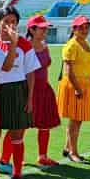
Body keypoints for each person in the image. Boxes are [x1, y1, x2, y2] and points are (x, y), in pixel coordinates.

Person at [0, 6, 40, 179]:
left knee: (17, 135)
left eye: (14, 22)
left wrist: (30, 98)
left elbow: (30, 74)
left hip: (18, 91)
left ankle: (17, 173)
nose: (10, 25)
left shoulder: (24, 44)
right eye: (6, 21)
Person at [58, 16, 90, 163]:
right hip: (75, 85)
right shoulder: (72, 45)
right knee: (75, 120)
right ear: (74, 29)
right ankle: (74, 152)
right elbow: (68, 71)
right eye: (81, 27)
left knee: (76, 120)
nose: (84, 30)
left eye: (86, 27)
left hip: (84, 84)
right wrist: (78, 89)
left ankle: (68, 147)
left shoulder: (85, 43)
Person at [26, 15, 61, 166]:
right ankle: (6, 159)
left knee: (45, 125)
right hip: (28, 91)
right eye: (42, 28)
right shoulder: (24, 47)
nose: (45, 31)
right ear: (32, 29)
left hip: (44, 90)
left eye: (46, 28)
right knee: (20, 127)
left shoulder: (45, 45)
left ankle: (43, 156)